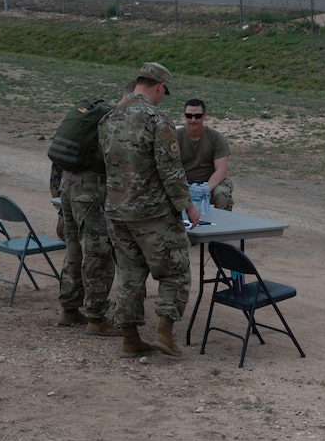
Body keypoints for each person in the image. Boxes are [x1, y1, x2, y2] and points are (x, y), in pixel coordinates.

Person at [99, 62, 199, 359]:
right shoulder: (157, 120)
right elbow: (171, 170)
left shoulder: (108, 118)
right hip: (153, 214)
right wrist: (188, 207)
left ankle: (130, 339)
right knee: (175, 272)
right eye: (163, 93)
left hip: (117, 211)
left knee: (129, 274)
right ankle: (164, 333)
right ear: (158, 87)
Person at [55, 81, 136, 336]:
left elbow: (58, 162)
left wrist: (58, 201)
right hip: (91, 192)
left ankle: (69, 309)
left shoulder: (92, 117)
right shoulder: (114, 122)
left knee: (74, 248)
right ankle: (96, 317)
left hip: (67, 187)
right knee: (98, 253)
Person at [176, 98, 233, 210]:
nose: (193, 120)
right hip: (183, 182)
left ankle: (223, 226)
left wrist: (204, 190)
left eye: (197, 116)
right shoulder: (175, 137)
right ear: (184, 116)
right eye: (189, 116)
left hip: (210, 182)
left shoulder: (216, 138)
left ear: (204, 116)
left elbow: (221, 171)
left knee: (223, 195)